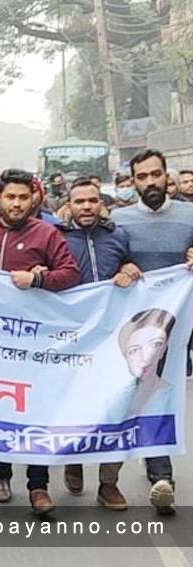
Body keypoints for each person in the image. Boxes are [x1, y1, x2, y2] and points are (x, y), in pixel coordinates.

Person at [0, 168, 80, 516]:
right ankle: (0, 476)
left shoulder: (47, 233)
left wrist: (37, 278)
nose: (17, 203)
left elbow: (70, 273)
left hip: (35, 343)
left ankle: (39, 486)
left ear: (33, 198)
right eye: (11, 197)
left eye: (23, 197)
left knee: (36, 411)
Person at [111, 149, 193, 516]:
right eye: (142, 177)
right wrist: (123, 266)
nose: (150, 182)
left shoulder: (190, 215)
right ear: (132, 181)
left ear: (167, 177)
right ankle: (162, 475)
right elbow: (110, 264)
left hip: (185, 319)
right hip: (142, 328)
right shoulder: (119, 219)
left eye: (155, 175)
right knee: (153, 389)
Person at [56, 177, 140, 510]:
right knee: (74, 406)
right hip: (71, 340)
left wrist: (129, 268)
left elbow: (135, 269)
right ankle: (73, 460)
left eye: (93, 200)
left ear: (100, 203)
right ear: (69, 206)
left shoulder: (118, 236)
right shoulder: (56, 238)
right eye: (80, 202)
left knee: (116, 408)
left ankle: (109, 483)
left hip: (114, 338)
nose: (87, 207)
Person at [116, 309, 177, 417]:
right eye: (134, 350)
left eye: (156, 345)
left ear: (163, 350)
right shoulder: (114, 400)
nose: (145, 357)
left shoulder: (172, 395)